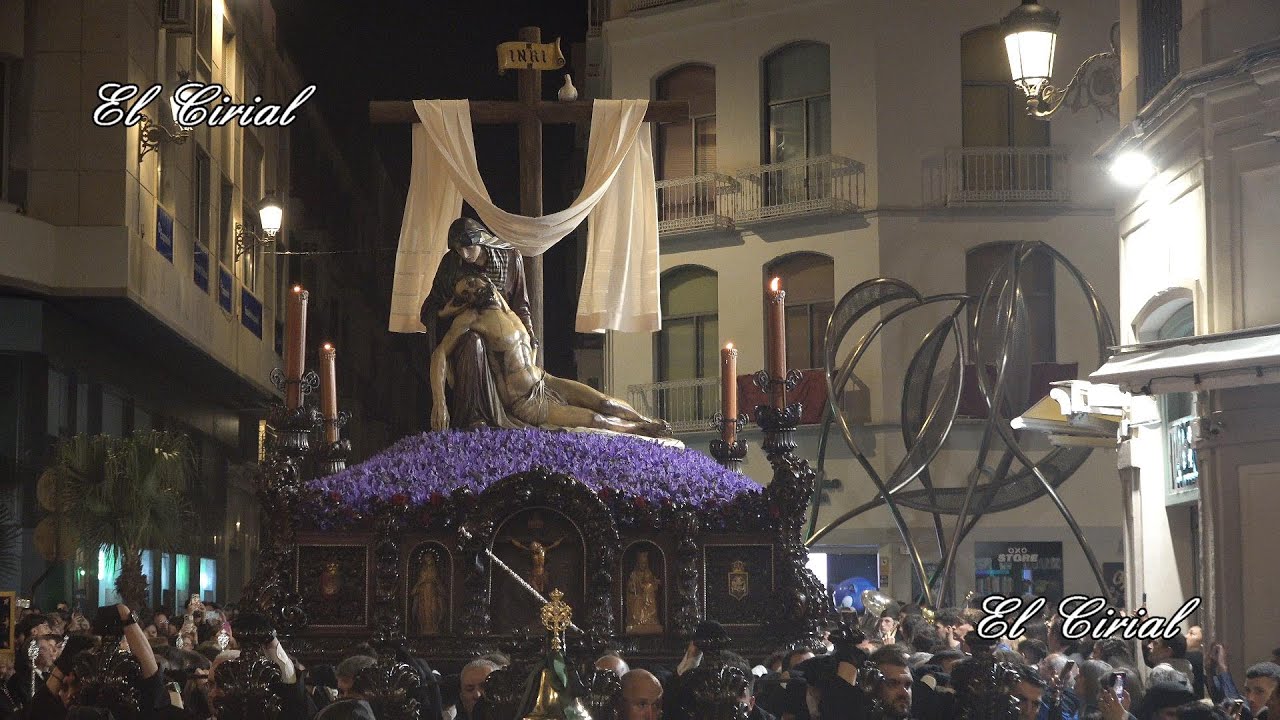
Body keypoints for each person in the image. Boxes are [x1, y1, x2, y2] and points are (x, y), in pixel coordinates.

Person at [430, 273, 670, 437]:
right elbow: (439, 354)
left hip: (545, 380)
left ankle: (646, 421)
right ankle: (638, 430)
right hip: (526, 401)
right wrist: (440, 402)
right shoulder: (472, 319)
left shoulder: (510, 312)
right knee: (595, 421)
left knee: (604, 402)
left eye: (472, 283)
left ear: (486, 281)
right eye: (465, 294)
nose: (472, 291)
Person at [421, 217, 537, 430]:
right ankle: (475, 417)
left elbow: (521, 304)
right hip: (466, 335)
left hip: (504, 339)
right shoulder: (451, 264)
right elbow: (429, 307)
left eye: (467, 248)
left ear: (482, 239)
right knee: (473, 343)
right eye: (458, 250)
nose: (464, 255)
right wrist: (444, 311)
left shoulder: (510, 258)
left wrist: (530, 336)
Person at [411, 554, 444, 635]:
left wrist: (438, 586)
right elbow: (420, 581)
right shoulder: (422, 570)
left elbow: (437, 581)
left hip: (433, 593)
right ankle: (424, 627)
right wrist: (420, 582)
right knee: (424, 610)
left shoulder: (435, 570)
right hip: (423, 593)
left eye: (429, 558)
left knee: (434, 609)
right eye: (426, 559)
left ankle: (434, 627)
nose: (428, 561)